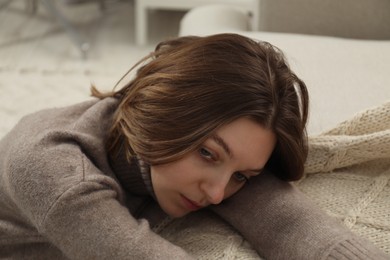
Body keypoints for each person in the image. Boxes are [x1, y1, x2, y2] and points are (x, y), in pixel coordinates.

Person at [0, 33, 386, 259]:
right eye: (207, 154)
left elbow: (291, 223)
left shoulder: (192, 165)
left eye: (241, 176)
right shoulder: (50, 169)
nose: (217, 193)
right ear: (165, 113)